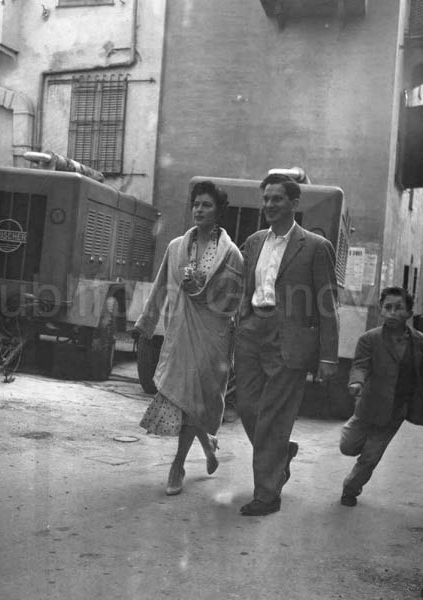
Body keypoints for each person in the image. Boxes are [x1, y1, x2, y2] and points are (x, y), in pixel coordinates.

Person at [234, 172, 339, 516]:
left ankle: (267, 495)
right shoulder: (253, 242)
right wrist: (242, 321)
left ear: (294, 203)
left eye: (276, 199)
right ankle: (282, 452)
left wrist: (328, 356)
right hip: (252, 332)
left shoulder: (316, 246)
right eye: (265, 198)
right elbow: (245, 288)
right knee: (247, 407)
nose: (269, 205)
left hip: (289, 339)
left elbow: (327, 305)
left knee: (273, 417)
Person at [135, 180, 243, 495]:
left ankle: (186, 459)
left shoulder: (232, 254)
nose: (199, 209)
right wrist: (146, 323)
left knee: (198, 401)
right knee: (184, 400)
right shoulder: (175, 247)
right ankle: (186, 459)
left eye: (206, 205)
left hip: (213, 336)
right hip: (181, 331)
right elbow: (160, 286)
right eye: (196, 204)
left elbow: (234, 301)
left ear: (218, 211)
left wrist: (204, 290)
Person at [339, 287, 423, 507]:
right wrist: (356, 382)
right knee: (347, 446)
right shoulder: (369, 339)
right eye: (388, 307)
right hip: (368, 405)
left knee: (371, 456)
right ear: (381, 310)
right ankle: (355, 436)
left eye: (399, 308)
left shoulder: (419, 342)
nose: (392, 313)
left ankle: (350, 489)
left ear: (409, 312)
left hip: (396, 410)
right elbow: (360, 365)